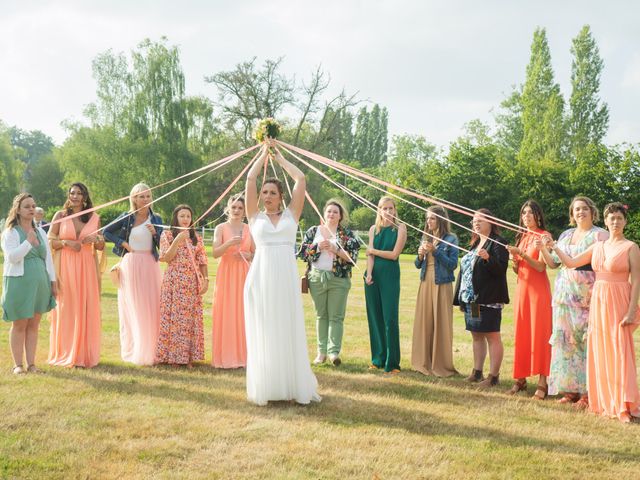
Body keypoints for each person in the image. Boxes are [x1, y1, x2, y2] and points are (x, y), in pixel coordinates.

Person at [243, 143, 321, 406]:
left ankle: (290, 384)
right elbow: (250, 178)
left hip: (285, 277)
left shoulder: (292, 215)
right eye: (264, 192)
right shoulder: (254, 216)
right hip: (261, 277)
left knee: (286, 327)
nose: (266, 196)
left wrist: (280, 158)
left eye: (272, 192)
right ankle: (267, 385)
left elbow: (300, 178)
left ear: (280, 196)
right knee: (264, 328)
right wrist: (263, 155)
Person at [548, 202, 640, 423]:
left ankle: (624, 404)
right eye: (612, 218)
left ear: (625, 221)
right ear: (606, 221)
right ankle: (601, 400)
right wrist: (553, 246)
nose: (615, 222)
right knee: (599, 350)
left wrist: (631, 310)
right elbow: (570, 263)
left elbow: (637, 280)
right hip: (598, 301)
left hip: (619, 299)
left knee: (620, 351)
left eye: (619, 218)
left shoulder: (631, 247)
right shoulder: (598, 246)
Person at [536, 197, 607, 407]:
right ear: (571, 213)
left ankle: (587, 392)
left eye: (585, 208)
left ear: (592, 211)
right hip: (564, 295)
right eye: (577, 209)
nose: (581, 212)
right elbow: (553, 263)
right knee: (566, 343)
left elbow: (592, 261)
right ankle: (569, 390)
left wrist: (555, 248)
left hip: (587, 295)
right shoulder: (566, 235)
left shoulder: (599, 234)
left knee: (584, 342)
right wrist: (543, 248)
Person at [103, 183, 163, 366]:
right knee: (134, 308)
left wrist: (156, 233)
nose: (145, 200)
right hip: (131, 265)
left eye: (148, 196)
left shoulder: (157, 218)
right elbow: (106, 232)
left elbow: (163, 244)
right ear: (134, 199)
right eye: (141, 196)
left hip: (150, 264)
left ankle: (153, 349)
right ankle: (135, 349)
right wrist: (123, 243)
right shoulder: (127, 217)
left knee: (152, 306)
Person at [48, 183, 105, 368]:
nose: (75, 196)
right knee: (67, 306)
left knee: (86, 306)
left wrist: (96, 239)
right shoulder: (60, 215)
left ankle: (84, 353)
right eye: (72, 193)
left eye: (79, 193)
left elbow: (101, 245)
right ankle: (66, 351)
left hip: (87, 266)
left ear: (85, 196)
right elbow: (50, 240)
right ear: (68, 195)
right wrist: (65, 242)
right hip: (66, 265)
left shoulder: (95, 217)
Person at [299, 198, 360, 367]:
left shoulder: (347, 235)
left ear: (340, 216)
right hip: (316, 278)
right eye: (329, 211)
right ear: (324, 213)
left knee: (336, 316)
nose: (331, 214)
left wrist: (336, 249)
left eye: (335, 212)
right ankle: (321, 353)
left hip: (339, 280)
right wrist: (318, 247)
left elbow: (353, 259)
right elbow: (303, 253)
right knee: (321, 315)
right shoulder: (314, 231)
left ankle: (333, 353)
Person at [1, 193, 57, 374]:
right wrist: (28, 242)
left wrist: (52, 281)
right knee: (20, 324)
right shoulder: (10, 232)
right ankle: (18, 365)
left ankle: (32, 364)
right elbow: (12, 257)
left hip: (40, 282)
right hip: (19, 281)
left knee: (34, 324)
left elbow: (48, 259)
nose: (32, 209)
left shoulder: (41, 231)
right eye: (27, 206)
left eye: (33, 206)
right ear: (17, 210)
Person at [453, 209, 509, 388]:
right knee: (476, 334)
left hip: (488, 298)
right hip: (472, 299)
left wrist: (488, 258)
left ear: (491, 222)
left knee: (492, 336)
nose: (475, 223)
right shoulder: (475, 243)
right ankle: (477, 372)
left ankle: (493, 377)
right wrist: (460, 298)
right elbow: (465, 271)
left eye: (480, 220)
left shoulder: (498, 243)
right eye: (473, 221)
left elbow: (500, 270)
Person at [506, 200, 553, 399]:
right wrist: (514, 260)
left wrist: (522, 255)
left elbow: (542, 267)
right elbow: (519, 268)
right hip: (522, 290)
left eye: (530, 213)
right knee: (523, 333)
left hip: (538, 292)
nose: (526, 216)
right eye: (523, 213)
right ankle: (521, 378)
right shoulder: (522, 236)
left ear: (538, 216)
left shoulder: (544, 236)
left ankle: (543, 382)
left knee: (541, 335)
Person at [156, 205, 208, 367]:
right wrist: (177, 241)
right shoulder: (167, 234)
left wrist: (206, 279)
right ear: (175, 218)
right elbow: (165, 258)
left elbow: (202, 260)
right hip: (173, 281)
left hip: (191, 282)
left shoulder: (196, 237)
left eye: (188, 216)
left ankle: (187, 356)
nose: (185, 219)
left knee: (189, 320)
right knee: (174, 318)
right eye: (182, 216)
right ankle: (173, 357)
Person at [412, 205, 459, 377]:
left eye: (432, 218)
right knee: (424, 322)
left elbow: (453, 264)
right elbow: (418, 265)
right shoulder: (426, 237)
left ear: (440, 219)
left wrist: (436, 251)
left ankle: (441, 364)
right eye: (427, 218)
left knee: (441, 323)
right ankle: (422, 361)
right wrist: (420, 255)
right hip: (425, 282)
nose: (428, 221)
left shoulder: (451, 239)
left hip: (442, 284)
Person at [364, 196, 407, 374]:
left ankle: (392, 362)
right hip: (373, 276)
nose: (388, 212)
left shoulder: (400, 228)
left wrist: (373, 251)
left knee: (390, 318)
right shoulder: (374, 229)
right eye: (385, 208)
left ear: (395, 210)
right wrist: (369, 274)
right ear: (379, 210)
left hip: (390, 275)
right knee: (375, 318)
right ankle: (378, 359)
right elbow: (369, 256)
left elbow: (394, 254)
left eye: (391, 208)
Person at [211, 194, 254, 368]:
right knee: (226, 311)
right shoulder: (220, 228)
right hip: (226, 272)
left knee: (243, 311)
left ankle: (244, 356)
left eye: (239, 208)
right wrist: (228, 243)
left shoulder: (250, 228)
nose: (236, 210)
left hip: (244, 272)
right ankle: (225, 356)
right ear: (228, 208)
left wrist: (248, 254)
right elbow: (215, 253)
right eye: (233, 207)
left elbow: (256, 252)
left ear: (244, 211)